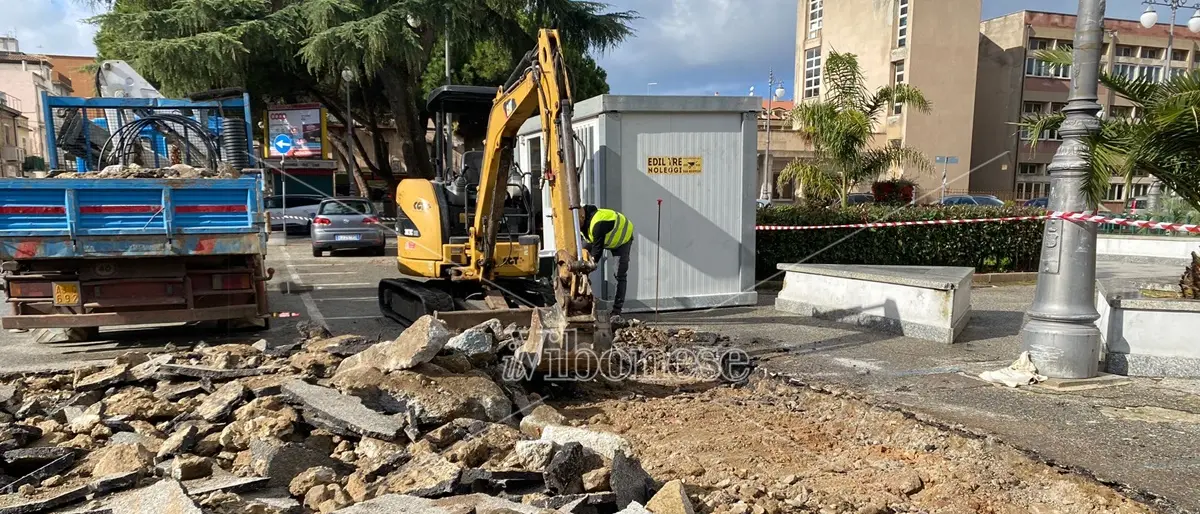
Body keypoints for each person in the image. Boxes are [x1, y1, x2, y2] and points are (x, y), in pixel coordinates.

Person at [580, 205, 634, 319]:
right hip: (601, 238)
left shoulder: (598, 224)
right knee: (581, 258)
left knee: (619, 274)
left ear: (582, 217)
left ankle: (616, 311)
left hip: (622, 240)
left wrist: (589, 266)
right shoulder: (581, 222)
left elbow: (597, 252)